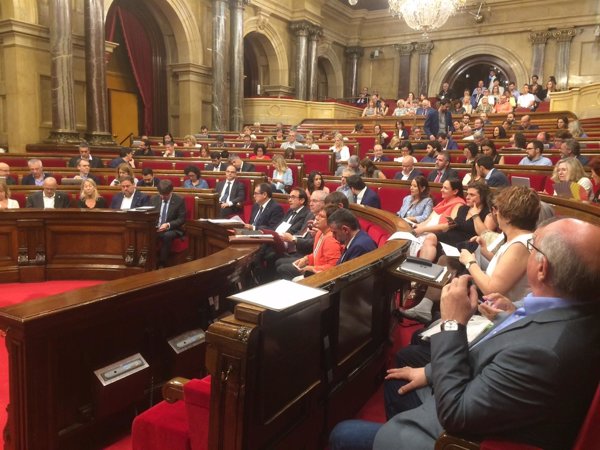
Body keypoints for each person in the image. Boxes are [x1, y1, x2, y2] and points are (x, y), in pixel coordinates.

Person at [331, 218, 600, 450]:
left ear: (542, 268)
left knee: (342, 433)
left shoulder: (542, 355)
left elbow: (455, 414)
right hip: (487, 395)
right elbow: (525, 336)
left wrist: (452, 323)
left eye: (533, 248)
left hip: (457, 432)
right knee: (399, 378)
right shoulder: (579, 311)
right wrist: (511, 314)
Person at [401, 186, 540, 323]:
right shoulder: (522, 240)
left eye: (498, 210)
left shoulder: (519, 246)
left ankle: (429, 307)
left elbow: (491, 289)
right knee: (449, 260)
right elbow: (507, 268)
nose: (495, 214)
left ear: (508, 217)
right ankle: (427, 306)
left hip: (498, 314)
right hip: (497, 308)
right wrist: (484, 250)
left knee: (452, 266)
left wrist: (470, 262)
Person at [418, 181, 492, 262]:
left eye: (472, 195)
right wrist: (452, 224)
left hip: (467, 243)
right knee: (430, 237)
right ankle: (423, 265)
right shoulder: (463, 208)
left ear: (482, 197)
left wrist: (475, 216)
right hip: (452, 236)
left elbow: (485, 235)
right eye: (467, 194)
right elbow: (457, 224)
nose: (467, 197)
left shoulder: (488, 213)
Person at [277, 204, 344, 280]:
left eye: (321, 216)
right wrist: (306, 259)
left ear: (331, 222)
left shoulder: (331, 239)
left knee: (283, 268)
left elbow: (333, 267)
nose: (316, 218)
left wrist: (312, 268)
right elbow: (317, 254)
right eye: (318, 215)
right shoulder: (320, 232)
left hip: (320, 276)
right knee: (280, 263)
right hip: (315, 268)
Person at [150, 180, 186, 268]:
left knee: (167, 235)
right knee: (147, 233)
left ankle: (162, 263)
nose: (162, 197)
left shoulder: (179, 200)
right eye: (161, 195)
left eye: (165, 195)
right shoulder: (154, 199)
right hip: (157, 227)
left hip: (173, 229)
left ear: (171, 192)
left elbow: (181, 219)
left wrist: (168, 225)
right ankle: (150, 262)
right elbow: (150, 215)